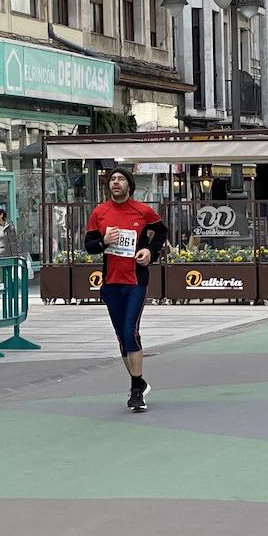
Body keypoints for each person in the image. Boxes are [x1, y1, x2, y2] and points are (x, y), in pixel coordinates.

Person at [84, 166, 168, 413]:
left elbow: (161, 232)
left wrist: (150, 251)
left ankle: (135, 389)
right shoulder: (100, 212)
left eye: (121, 179)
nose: (116, 182)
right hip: (111, 283)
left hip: (135, 281)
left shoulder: (142, 210)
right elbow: (89, 245)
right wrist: (103, 242)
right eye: (112, 179)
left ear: (129, 185)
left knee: (131, 331)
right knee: (122, 336)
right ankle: (138, 382)